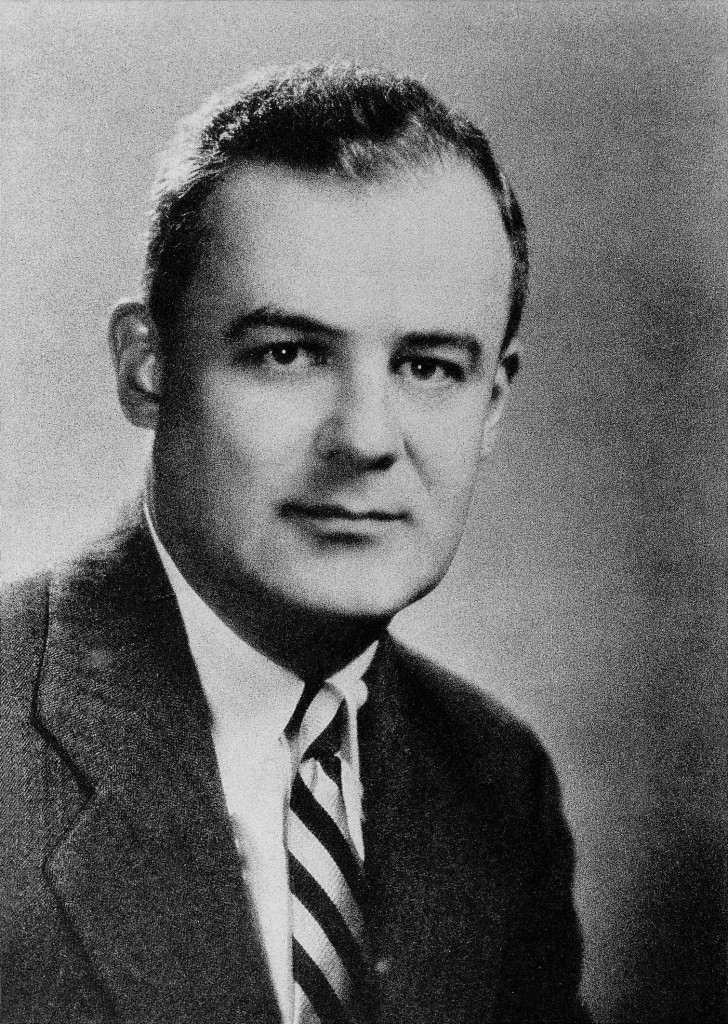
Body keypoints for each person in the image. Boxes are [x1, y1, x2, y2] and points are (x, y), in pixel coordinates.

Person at [0, 63, 589, 1023]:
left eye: (428, 367)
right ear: (146, 368)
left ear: (492, 403)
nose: (366, 439)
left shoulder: (494, 780)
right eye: (288, 353)